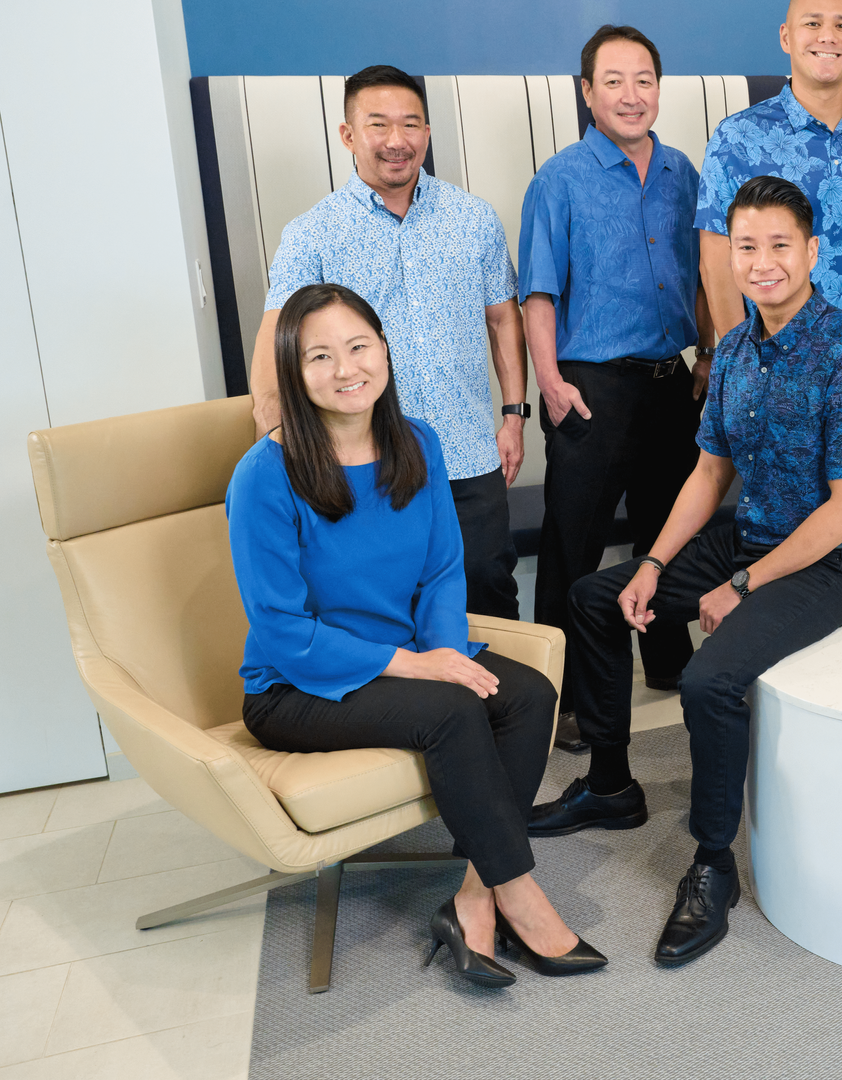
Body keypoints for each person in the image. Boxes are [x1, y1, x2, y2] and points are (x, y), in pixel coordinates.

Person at [528, 176, 842, 967]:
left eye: (779, 246)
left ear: (812, 252)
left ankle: (712, 862)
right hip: (748, 540)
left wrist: (743, 586)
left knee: (707, 683)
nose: (762, 263)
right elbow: (708, 474)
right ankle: (613, 784)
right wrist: (655, 563)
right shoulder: (731, 350)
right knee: (597, 598)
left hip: (828, 563)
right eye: (747, 247)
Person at [228, 283, 602, 986]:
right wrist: (419, 667)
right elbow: (280, 631)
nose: (346, 369)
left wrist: (442, 654)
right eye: (319, 356)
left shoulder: (417, 443)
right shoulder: (263, 476)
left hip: (405, 658)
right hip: (296, 685)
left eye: (359, 346)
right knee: (455, 707)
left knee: (525, 693)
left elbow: (441, 575)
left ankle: (472, 897)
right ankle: (520, 894)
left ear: (385, 350)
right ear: (291, 371)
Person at [250, 65, 527, 621]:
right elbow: (272, 352)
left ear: (427, 132)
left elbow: (503, 320)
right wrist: (285, 453)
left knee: (488, 590)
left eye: (411, 124)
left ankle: (505, 704)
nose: (397, 141)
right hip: (363, 460)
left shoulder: (473, 219)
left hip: (467, 452)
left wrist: (514, 415)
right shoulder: (312, 233)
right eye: (378, 125)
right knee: (389, 606)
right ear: (348, 134)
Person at [519, 25, 708, 750]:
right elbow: (537, 292)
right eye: (614, 81)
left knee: (670, 534)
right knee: (575, 544)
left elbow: (704, 274)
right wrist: (550, 384)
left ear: (659, 89)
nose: (632, 95)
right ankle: (559, 698)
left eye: (645, 80)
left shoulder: (683, 172)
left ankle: (666, 660)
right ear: (588, 92)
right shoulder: (559, 179)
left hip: (672, 382)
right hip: (591, 387)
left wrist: (711, 355)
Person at [695, 0, 842, 395]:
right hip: (770, 367)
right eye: (812, 23)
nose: (828, 36)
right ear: (786, 37)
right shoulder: (737, 138)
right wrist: (738, 362)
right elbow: (716, 259)